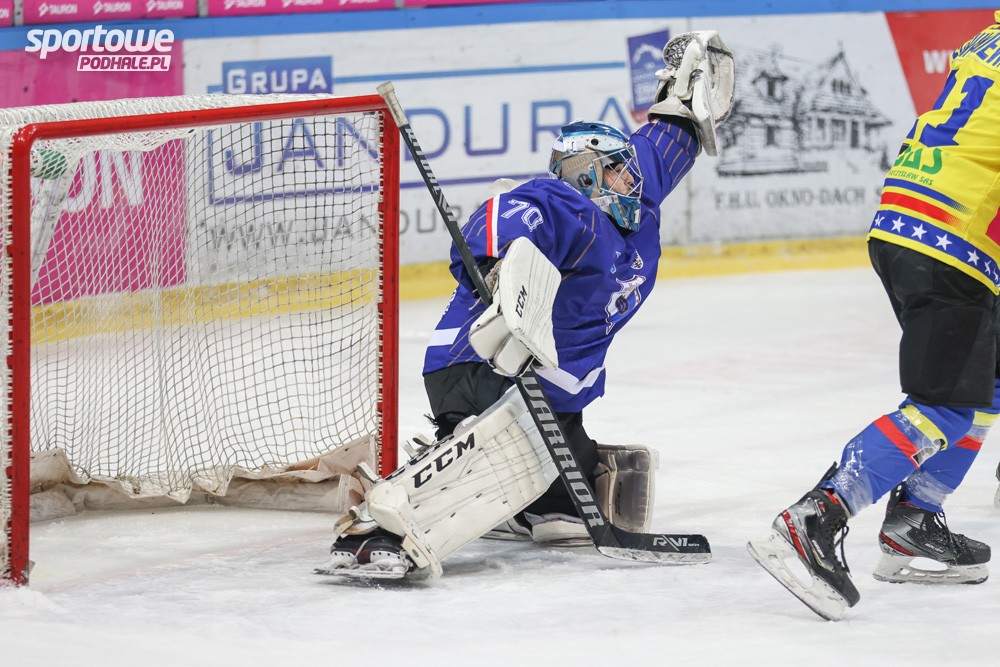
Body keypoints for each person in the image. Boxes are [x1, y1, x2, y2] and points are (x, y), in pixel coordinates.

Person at [315, 30, 735, 579]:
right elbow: (498, 219)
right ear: (587, 173)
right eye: (619, 170)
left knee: (567, 510)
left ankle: (529, 509)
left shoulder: (636, 197)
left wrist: (686, 96)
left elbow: (669, 137)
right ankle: (375, 529)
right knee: (497, 464)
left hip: (552, 396)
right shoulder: (563, 203)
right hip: (484, 365)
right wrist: (498, 272)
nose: (633, 179)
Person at [748, 12, 1000, 622]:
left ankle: (914, 521)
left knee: (985, 385)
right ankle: (816, 516)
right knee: (944, 404)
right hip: (952, 238)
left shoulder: (987, 37)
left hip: (910, 221)